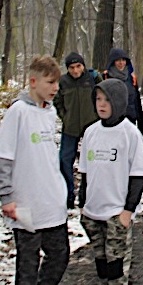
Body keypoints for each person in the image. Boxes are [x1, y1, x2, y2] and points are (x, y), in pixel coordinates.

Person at [0, 55, 70, 285]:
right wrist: (5, 196)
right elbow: (0, 158)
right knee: (28, 264)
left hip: (52, 203)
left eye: (57, 83)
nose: (55, 88)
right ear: (33, 81)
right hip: (24, 206)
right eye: (50, 82)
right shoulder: (17, 112)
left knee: (60, 255)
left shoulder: (50, 113)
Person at [78, 79, 143, 285]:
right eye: (98, 100)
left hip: (116, 215)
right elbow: (85, 172)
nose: (102, 105)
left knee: (117, 271)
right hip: (92, 214)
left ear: (118, 102)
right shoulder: (91, 132)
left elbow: (138, 176)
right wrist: (82, 205)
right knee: (103, 268)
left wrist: (127, 211)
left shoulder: (130, 134)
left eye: (107, 100)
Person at [54, 51, 99, 208]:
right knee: (64, 161)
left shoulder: (93, 78)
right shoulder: (63, 82)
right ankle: (68, 195)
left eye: (78, 66)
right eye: (71, 67)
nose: (75, 70)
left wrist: (97, 117)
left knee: (91, 161)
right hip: (70, 127)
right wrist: (65, 117)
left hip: (91, 127)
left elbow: (102, 96)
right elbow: (57, 102)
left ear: (83, 66)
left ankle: (86, 195)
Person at [103, 47, 143, 134]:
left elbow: (136, 102)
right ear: (112, 61)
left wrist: (141, 122)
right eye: (118, 60)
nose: (121, 63)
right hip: (112, 121)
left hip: (130, 120)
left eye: (123, 60)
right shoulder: (105, 77)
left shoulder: (132, 78)